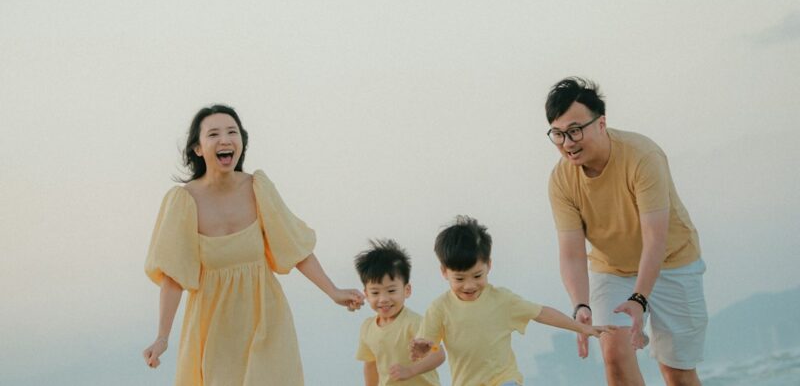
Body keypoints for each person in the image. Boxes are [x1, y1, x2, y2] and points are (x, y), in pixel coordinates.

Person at [141, 104, 365, 385]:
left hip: (266, 317)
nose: (225, 139)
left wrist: (333, 291)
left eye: (232, 132)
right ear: (198, 148)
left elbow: (295, 248)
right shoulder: (183, 202)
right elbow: (174, 276)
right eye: (213, 134)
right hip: (213, 328)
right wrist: (162, 337)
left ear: (241, 142)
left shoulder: (258, 187)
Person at [545, 77, 708, 386]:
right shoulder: (561, 180)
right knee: (614, 356)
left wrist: (639, 297)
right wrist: (581, 305)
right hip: (613, 268)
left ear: (601, 123)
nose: (567, 143)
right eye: (558, 134)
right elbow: (571, 252)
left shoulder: (641, 156)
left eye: (575, 130)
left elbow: (655, 238)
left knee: (677, 373)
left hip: (674, 261)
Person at [410, 216, 612, 386]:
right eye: (460, 279)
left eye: (477, 276)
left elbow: (541, 313)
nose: (469, 285)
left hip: (505, 380)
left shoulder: (502, 299)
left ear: (489, 266)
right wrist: (422, 348)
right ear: (445, 272)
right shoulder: (440, 308)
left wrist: (581, 328)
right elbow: (426, 343)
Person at [354, 239, 445, 386]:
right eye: (375, 292)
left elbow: (439, 354)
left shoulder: (414, 323)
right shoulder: (367, 328)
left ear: (406, 290)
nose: (383, 299)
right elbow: (370, 365)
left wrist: (410, 371)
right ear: (366, 294)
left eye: (391, 291)